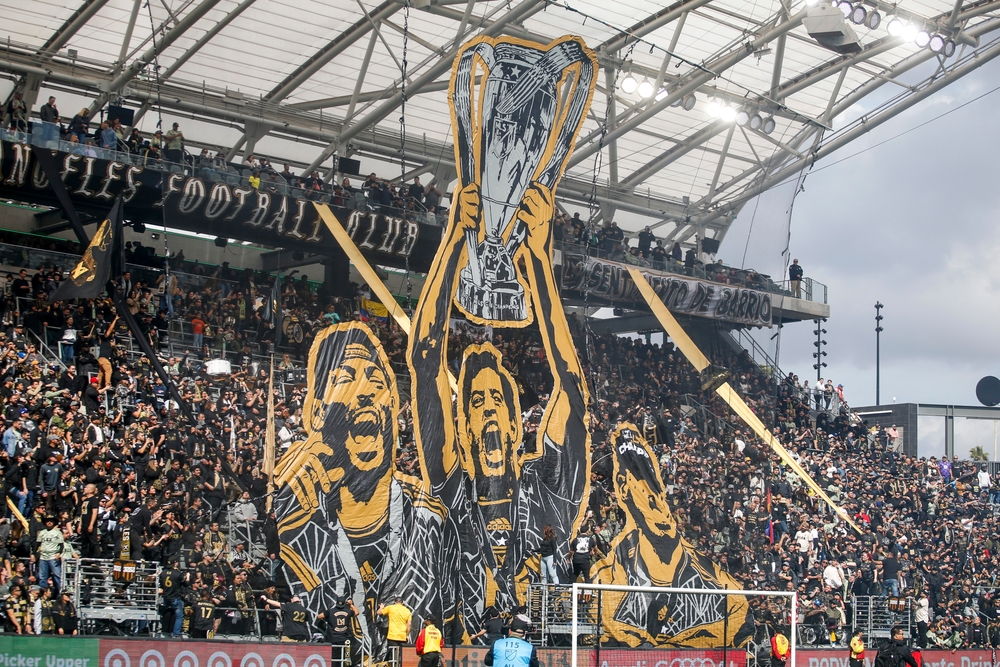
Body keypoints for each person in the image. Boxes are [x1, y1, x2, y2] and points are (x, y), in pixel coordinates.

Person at [318, 597, 361, 666]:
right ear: (344, 603)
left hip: (332, 639)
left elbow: (319, 616)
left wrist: (328, 618)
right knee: (341, 659)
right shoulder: (348, 611)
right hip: (343, 639)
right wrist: (351, 605)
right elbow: (357, 612)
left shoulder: (330, 611)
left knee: (332, 659)